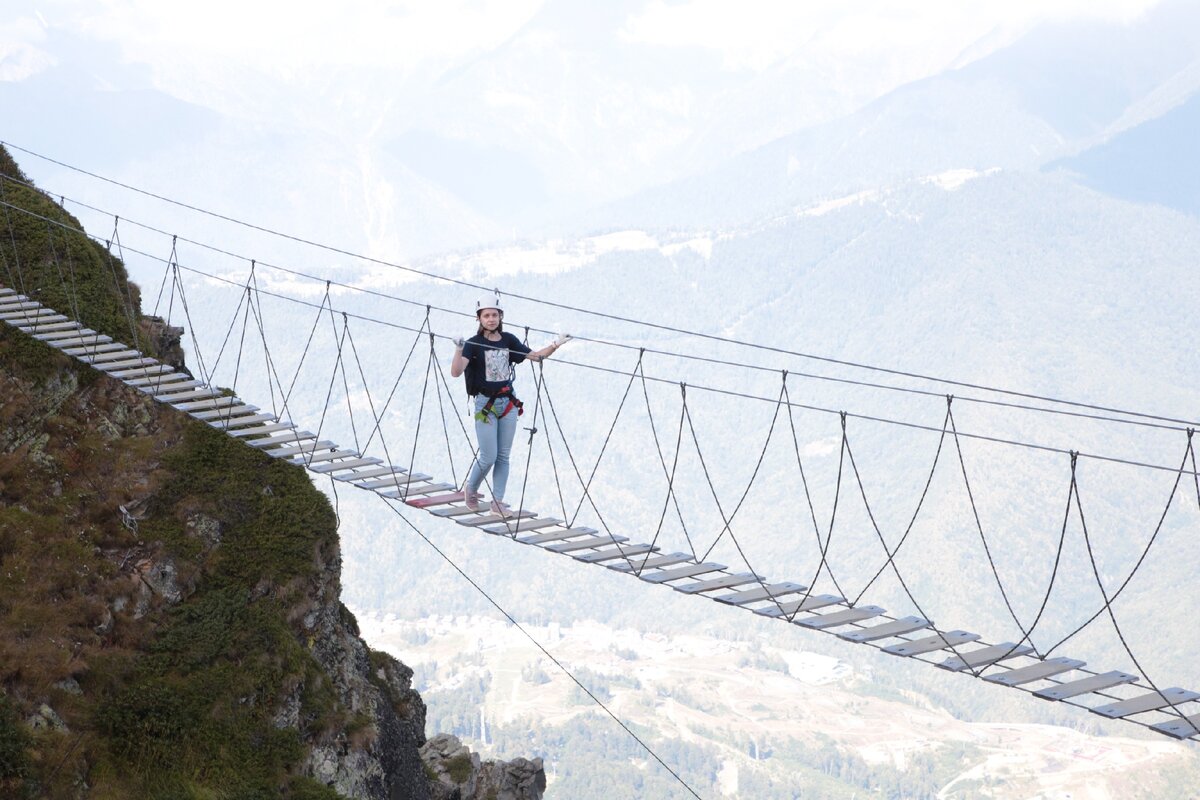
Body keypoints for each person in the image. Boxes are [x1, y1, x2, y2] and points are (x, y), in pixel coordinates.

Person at [450, 296, 569, 514]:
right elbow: (456, 372)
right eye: (486, 315)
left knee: (503, 455)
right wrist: (459, 349)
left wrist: (556, 344)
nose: (491, 319)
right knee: (489, 456)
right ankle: (471, 489)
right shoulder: (473, 344)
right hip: (485, 404)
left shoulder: (508, 340)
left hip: (508, 403)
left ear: (500, 316)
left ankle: (497, 502)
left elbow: (535, 357)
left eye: (495, 315)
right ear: (479, 318)